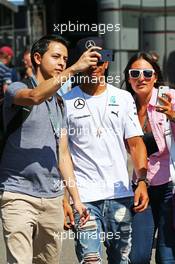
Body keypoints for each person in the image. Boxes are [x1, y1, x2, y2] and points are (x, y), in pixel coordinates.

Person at [0, 34, 102, 264]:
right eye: (56, 57)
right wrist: (75, 68)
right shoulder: (16, 88)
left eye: (65, 59)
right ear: (37, 58)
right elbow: (35, 96)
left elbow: (63, 155)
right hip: (17, 194)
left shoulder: (59, 102)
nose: (61, 63)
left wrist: (75, 200)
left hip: (52, 198)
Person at [63, 37, 149, 264]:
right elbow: (60, 154)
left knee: (121, 260)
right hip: (84, 199)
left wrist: (142, 181)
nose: (94, 67)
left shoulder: (122, 98)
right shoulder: (65, 100)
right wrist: (65, 199)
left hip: (119, 196)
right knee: (90, 259)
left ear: (107, 63)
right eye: (88, 61)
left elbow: (136, 143)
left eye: (99, 61)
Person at [122, 52, 175, 264]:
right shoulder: (125, 104)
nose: (141, 77)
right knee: (138, 256)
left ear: (155, 76)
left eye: (147, 73)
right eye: (135, 73)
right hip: (141, 185)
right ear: (128, 78)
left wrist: (173, 115)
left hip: (169, 187)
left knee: (167, 256)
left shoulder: (169, 97)